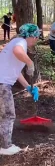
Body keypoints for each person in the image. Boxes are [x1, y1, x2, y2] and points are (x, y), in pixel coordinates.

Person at [0, 24, 40, 155]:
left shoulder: (15, 42)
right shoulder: (20, 42)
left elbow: (15, 71)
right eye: (36, 37)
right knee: (8, 114)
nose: (36, 39)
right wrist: (30, 63)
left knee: (3, 114)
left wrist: (28, 86)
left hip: (3, 83)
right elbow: (18, 51)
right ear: (31, 36)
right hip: (2, 84)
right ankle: (5, 146)